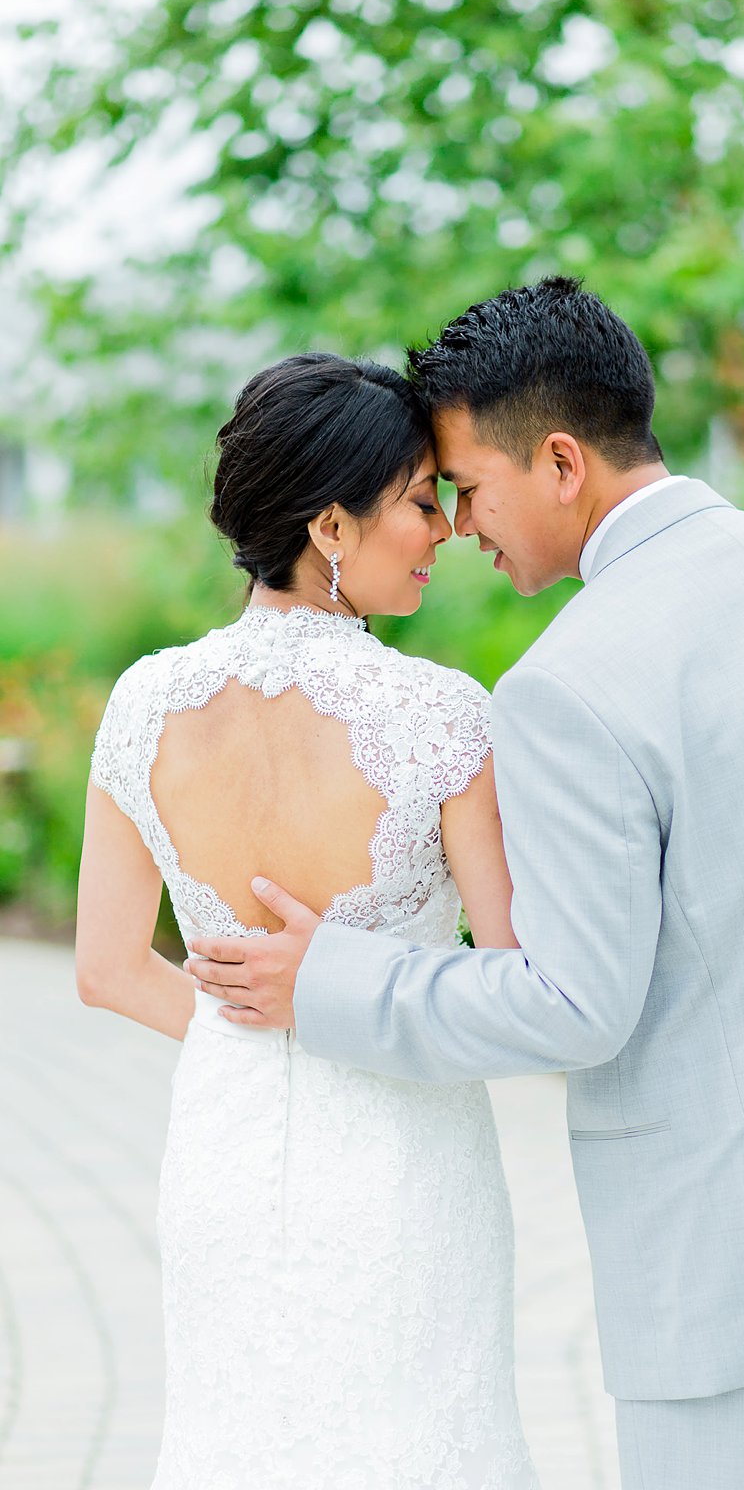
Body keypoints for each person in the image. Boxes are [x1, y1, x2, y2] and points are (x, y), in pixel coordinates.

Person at [182, 277, 744, 1490]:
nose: (463, 525)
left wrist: (331, 980)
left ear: (562, 463)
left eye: (468, 488)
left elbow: (574, 1004)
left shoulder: (570, 685)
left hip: (737, 1273)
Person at [76, 353, 539, 1485]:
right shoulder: (443, 718)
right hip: (406, 1148)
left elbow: (105, 968)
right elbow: (517, 973)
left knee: (241, 1434)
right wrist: (348, 1027)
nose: (441, 531)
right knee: (424, 1432)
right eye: (420, 504)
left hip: (224, 1149)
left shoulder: (145, 702)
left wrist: (249, 1036)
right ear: (332, 525)